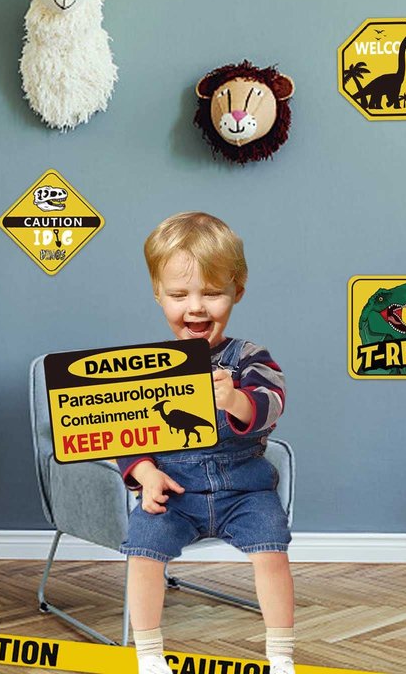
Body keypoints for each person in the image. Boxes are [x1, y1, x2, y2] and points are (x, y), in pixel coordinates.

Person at [118, 212, 295, 674]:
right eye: (179, 295)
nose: (196, 307)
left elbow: (273, 402)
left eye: (212, 293)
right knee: (142, 551)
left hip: (244, 490)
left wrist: (236, 399)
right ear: (158, 294)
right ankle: (149, 655)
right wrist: (146, 474)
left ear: (238, 292)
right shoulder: (148, 366)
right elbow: (127, 435)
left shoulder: (249, 357)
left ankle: (281, 655)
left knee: (272, 551)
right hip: (174, 493)